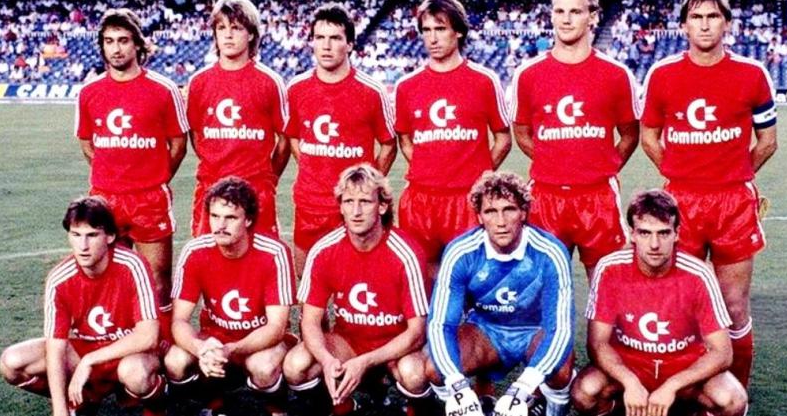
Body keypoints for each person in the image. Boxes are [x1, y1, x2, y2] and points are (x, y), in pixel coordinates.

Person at [640, 0, 778, 389]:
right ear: (683, 25)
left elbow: (768, 142)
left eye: (713, 16)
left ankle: (736, 396)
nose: (704, 25)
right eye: (696, 17)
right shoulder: (663, 74)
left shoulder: (752, 74)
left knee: (733, 307)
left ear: (727, 23)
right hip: (680, 202)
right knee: (679, 302)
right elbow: (649, 137)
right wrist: (681, 173)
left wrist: (735, 174)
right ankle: (684, 388)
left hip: (733, 202)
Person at [572, 189, 747, 416]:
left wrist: (672, 385)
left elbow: (722, 352)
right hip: (631, 366)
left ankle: (689, 410)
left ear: (677, 234)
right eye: (645, 233)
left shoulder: (698, 274)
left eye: (663, 233)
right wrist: (630, 381)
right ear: (632, 234)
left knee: (732, 400)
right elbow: (598, 344)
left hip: (683, 370)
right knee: (585, 392)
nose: (654, 244)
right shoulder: (610, 269)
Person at [511, 0, 639, 279]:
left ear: (592, 16)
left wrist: (604, 165)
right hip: (546, 196)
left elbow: (630, 134)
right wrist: (551, 160)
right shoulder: (528, 74)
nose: (566, 19)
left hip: (598, 197)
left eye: (575, 11)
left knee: (608, 285)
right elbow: (522, 132)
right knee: (542, 287)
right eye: (559, 11)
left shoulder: (616, 74)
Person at [283, 164, 434, 416]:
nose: (355, 211)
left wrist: (366, 361)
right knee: (296, 365)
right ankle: (344, 406)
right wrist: (327, 360)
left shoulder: (406, 253)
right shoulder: (324, 250)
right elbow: (309, 321)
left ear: (382, 206)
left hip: (397, 346)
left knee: (413, 373)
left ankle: (416, 409)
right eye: (348, 201)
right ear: (340, 207)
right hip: (350, 342)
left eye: (365, 201)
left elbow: (417, 333)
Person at [425, 171, 575, 416]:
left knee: (560, 370)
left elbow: (560, 329)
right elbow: (440, 325)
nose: (501, 221)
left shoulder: (550, 252)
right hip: (487, 330)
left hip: (535, 330)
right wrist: (457, 386)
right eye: (490, 212)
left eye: (509, 209)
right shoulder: (460, 252)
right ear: (479, 217)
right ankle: (468, 406)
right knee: (435, 368)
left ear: (524, 212)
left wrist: (522, 388)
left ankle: (552, 410)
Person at [0, 197, 166, 416]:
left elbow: (148, 337)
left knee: (136, 373)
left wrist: (90, 360)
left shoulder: (132, 265)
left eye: (92, 235)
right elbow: (55, 349)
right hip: (84, 350)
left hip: (128, 353)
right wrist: (60, 410)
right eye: (76, 235)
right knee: (11, 362)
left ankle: (157, 407)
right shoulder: (59, 279)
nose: (83, 246)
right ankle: (84, 399)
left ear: (110, 236)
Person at [74, 8, 189, 313]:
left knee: (158, 280)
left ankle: (162, 338)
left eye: (123, 40)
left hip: (149, 199)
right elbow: (86, 144)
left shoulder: (163, 89)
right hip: (105, 198)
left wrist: (155, 177)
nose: (116, 48)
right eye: (109, 41)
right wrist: (111, 176)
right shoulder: (89, 92)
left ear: (137, 43)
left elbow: (179, 145)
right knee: (109, 276)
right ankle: (119, 335)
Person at [393, 0, 512, 281]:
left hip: (466, 199)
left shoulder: (483, 80)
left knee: (472, 280)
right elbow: (405, 139)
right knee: (422, 279)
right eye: (426, 30)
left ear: (458, 31)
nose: (432, 38)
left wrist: (480, 175)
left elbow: (503, 138)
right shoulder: (407, 86)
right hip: (421, 199)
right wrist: (428, 167)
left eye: (440, 28)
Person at [165, 177, 296, 416]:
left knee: (263, 367)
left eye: (231, 218)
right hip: (215, 337)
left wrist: (232, 349)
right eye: (215, 216)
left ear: (248, 220)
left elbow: (276, 327)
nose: (220, 225)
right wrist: (200, 348)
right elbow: (179, 321)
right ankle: (214, 405)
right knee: (175, 360)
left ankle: (277, 409)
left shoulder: (274, 253)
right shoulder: (195, 251)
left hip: (262, 341)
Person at [285, 3, 397, 276]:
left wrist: (365, 184)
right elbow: (294, 138)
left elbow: (388, 144)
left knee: (357, 283)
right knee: (307, 283)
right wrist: (312, 167)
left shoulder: (371, 91)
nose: (326, 46)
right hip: (309, 205)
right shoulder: (297, 88)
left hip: (353, 206)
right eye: (319, 37)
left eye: (335, 38)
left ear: (349, 44)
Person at [186, 0, 289, 237]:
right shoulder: (198, 82)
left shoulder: (269, 82)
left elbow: (285, 140)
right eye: (221, 28)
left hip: (257, 190)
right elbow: (196, 135)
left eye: (236, 27)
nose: (228, 35)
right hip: (211, 189)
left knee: (261, 257)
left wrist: (268, 177)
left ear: (251, 34)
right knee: (208, 257)